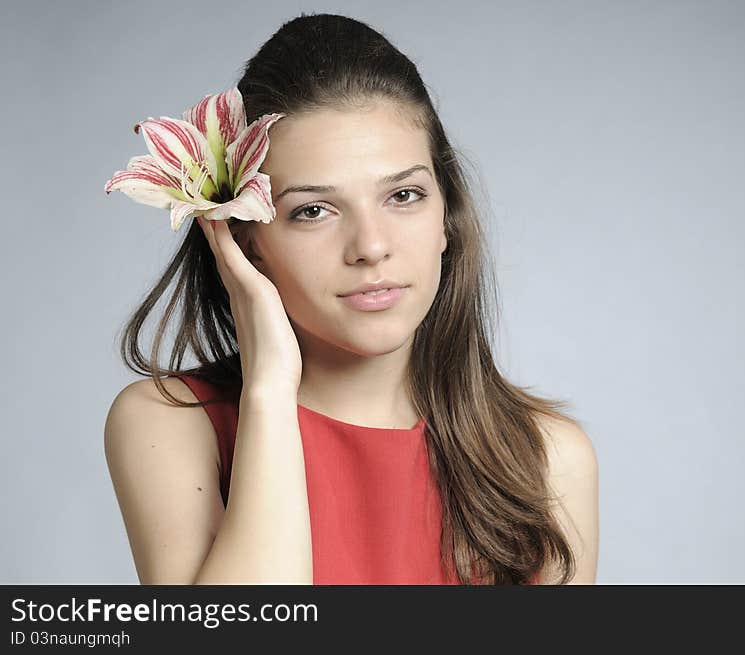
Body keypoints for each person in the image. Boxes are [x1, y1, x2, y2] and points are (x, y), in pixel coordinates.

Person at [103, 12, 598, 585]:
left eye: (404, 195)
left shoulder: (547, 458)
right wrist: (269, 393)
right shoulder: (171, 424)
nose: (370, 246)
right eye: (313, 210)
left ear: (447, 219)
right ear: (247, 243)